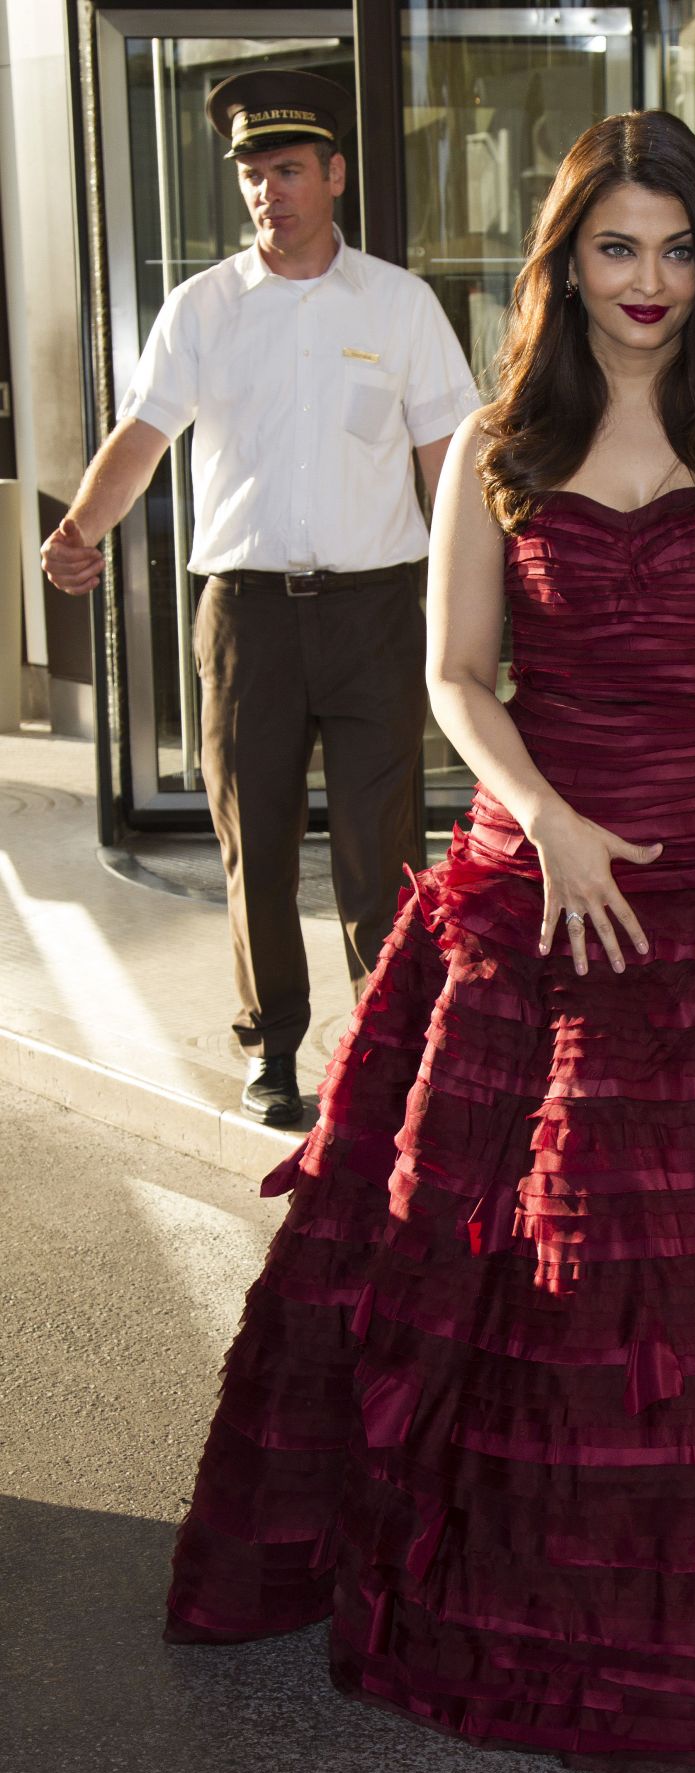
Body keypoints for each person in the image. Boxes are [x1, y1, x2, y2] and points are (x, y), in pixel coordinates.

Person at [163, 110, 695, 1773]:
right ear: (567, 260)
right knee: (512, 1252)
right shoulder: (501, 434)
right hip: (537, 882)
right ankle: (538, 1579)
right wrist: (549, 816)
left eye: (678, 246)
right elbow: (454, 676)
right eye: (616, 246)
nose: (648, 281)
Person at [41, 70, 478, 1127]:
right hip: (244, 618)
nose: (266, 190)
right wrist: (80, 531)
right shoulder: (203, 308)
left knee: (382, 850)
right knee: (259, 845)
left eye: (286, 169)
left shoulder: (400, 304)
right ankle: (271, 1049)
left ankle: (388, 1046)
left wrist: (482, 599)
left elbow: (446, 464)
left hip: (377, 611)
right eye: (250, 172)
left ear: (332, 174)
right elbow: (142, 434)